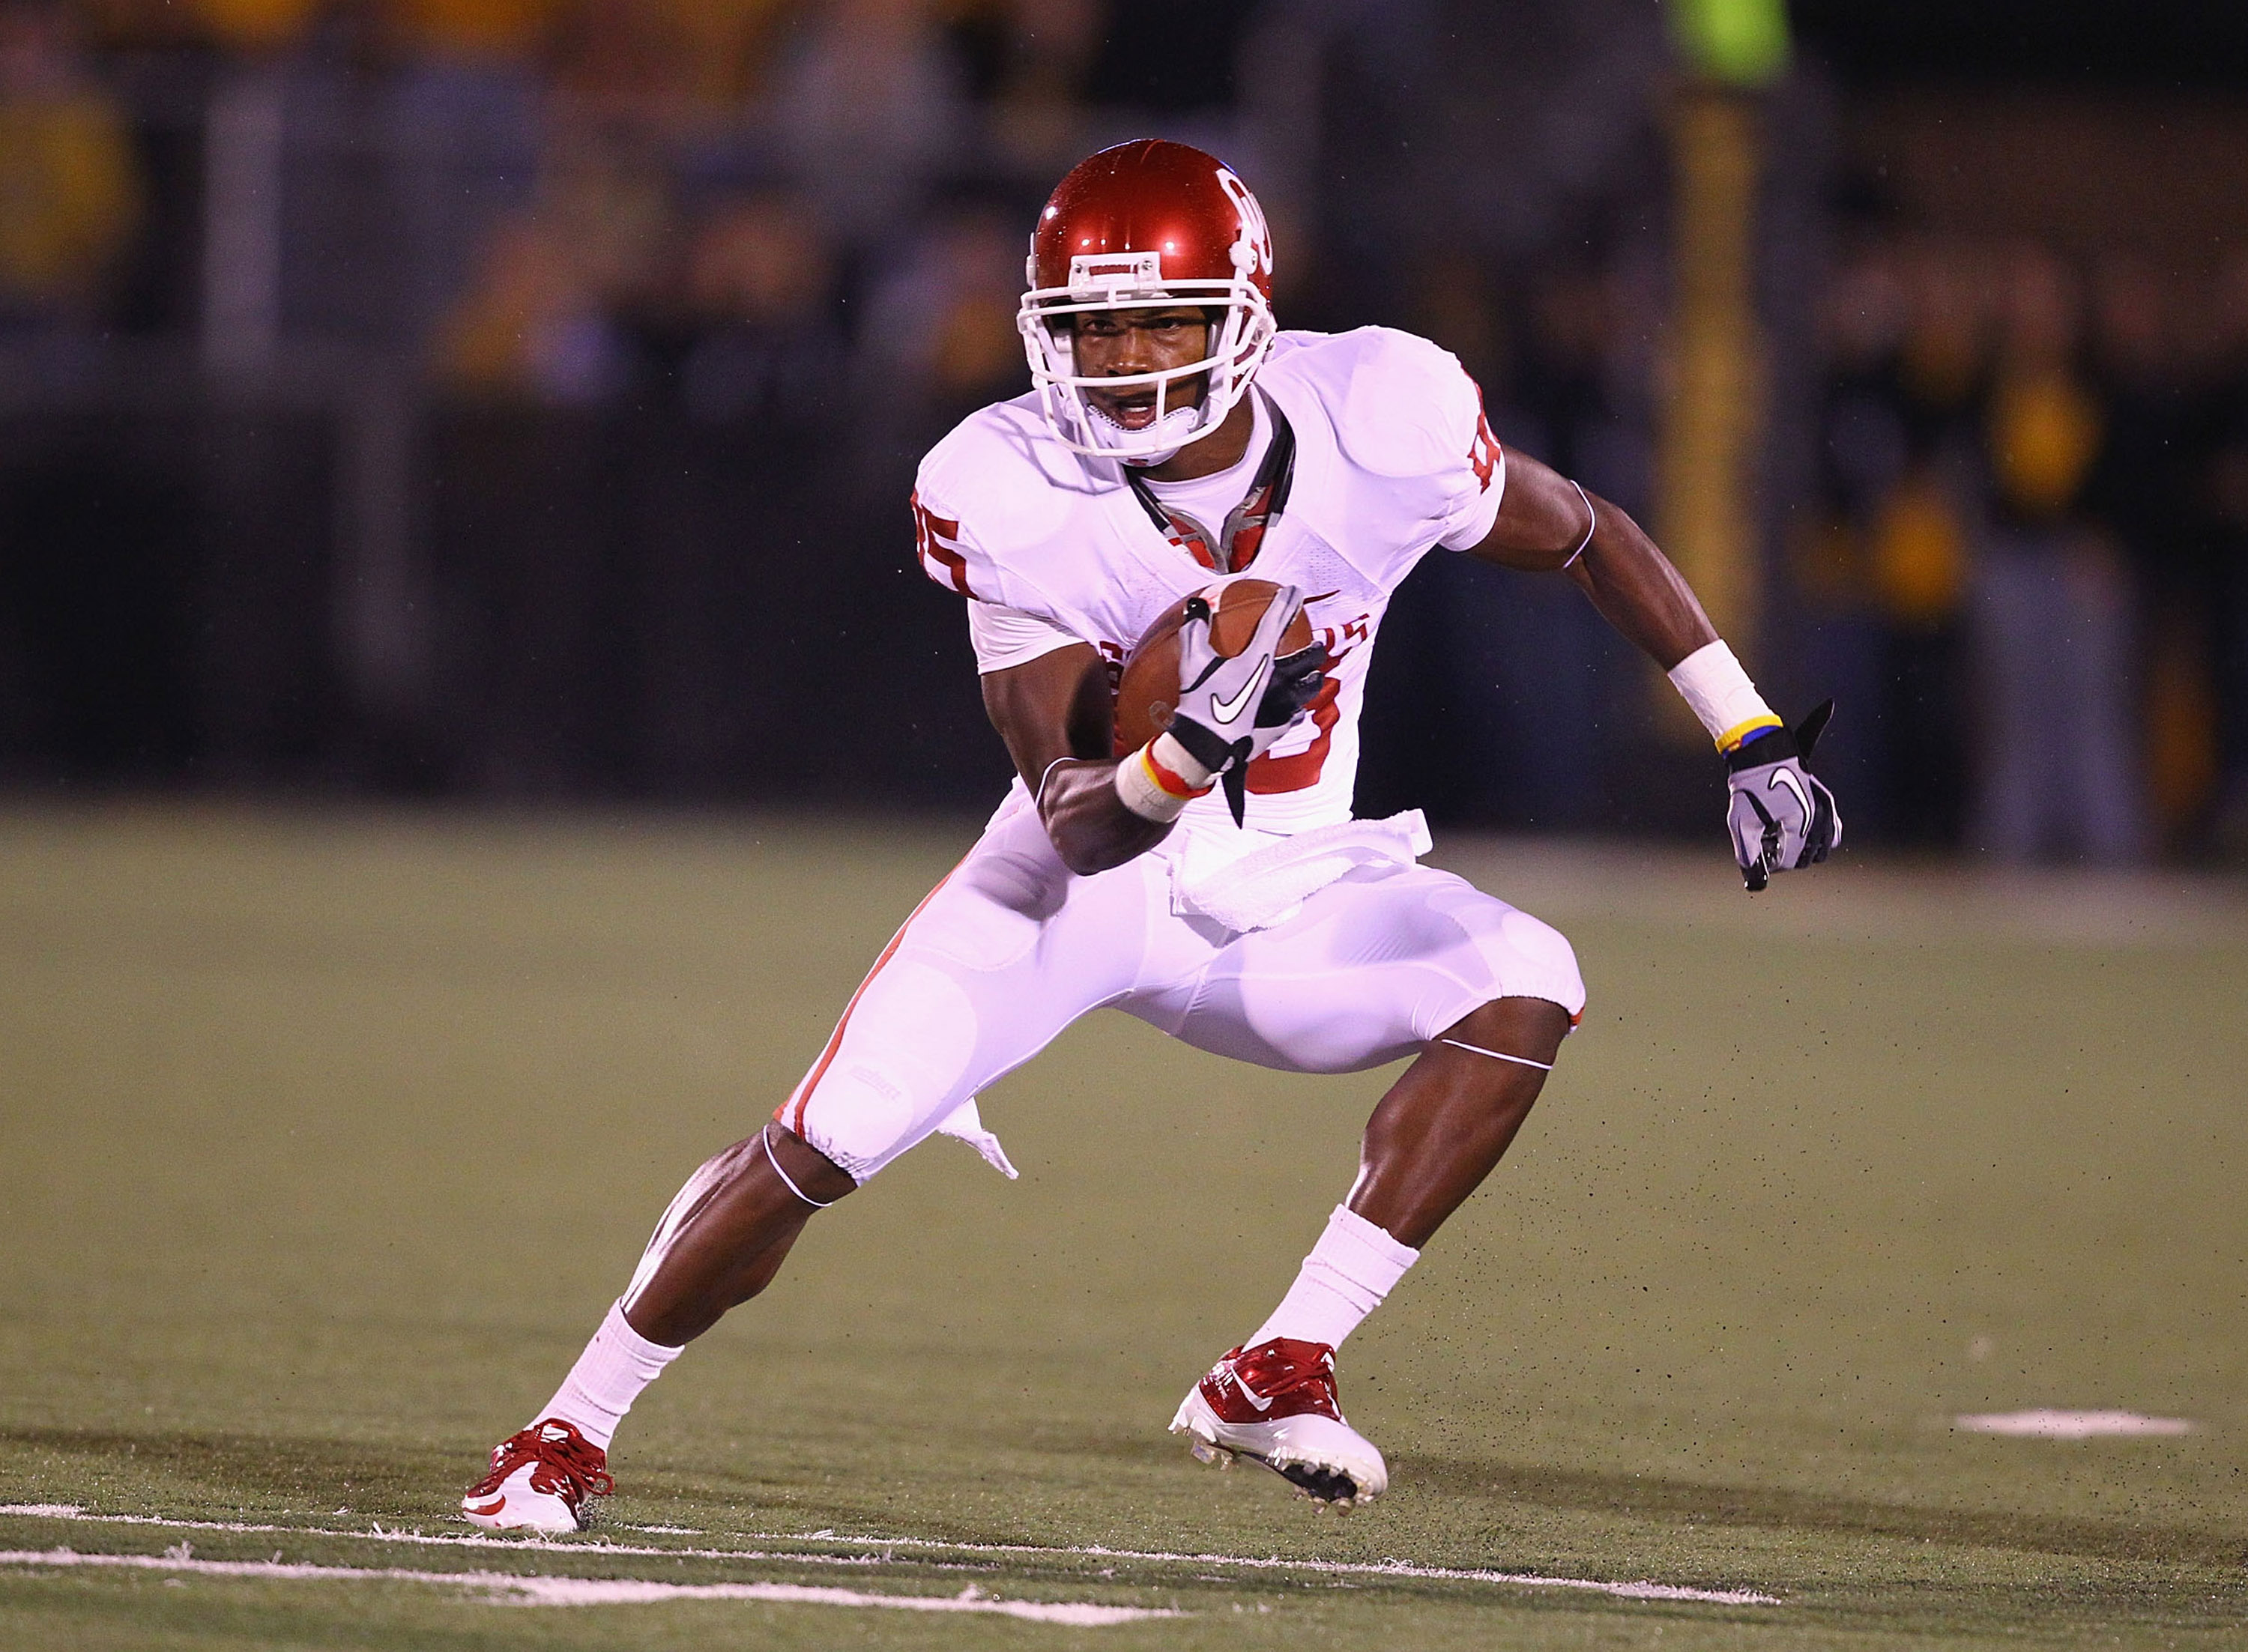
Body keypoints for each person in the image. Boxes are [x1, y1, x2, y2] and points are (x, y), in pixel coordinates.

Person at [460, 139, 1840, 1530]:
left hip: (1286, 889)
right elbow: (1072, 813)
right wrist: (1186, 746)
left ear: (1244, 309)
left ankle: (1280, 1364)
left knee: (1526, 975)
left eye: (1160, 318)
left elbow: (1585, 532)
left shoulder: (1383, 410)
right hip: (1076, 890)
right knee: (829, 1135)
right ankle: (563, 1432)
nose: (1123, 356)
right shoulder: (1003, 479)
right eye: (1091, 325)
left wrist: (1746, 728)